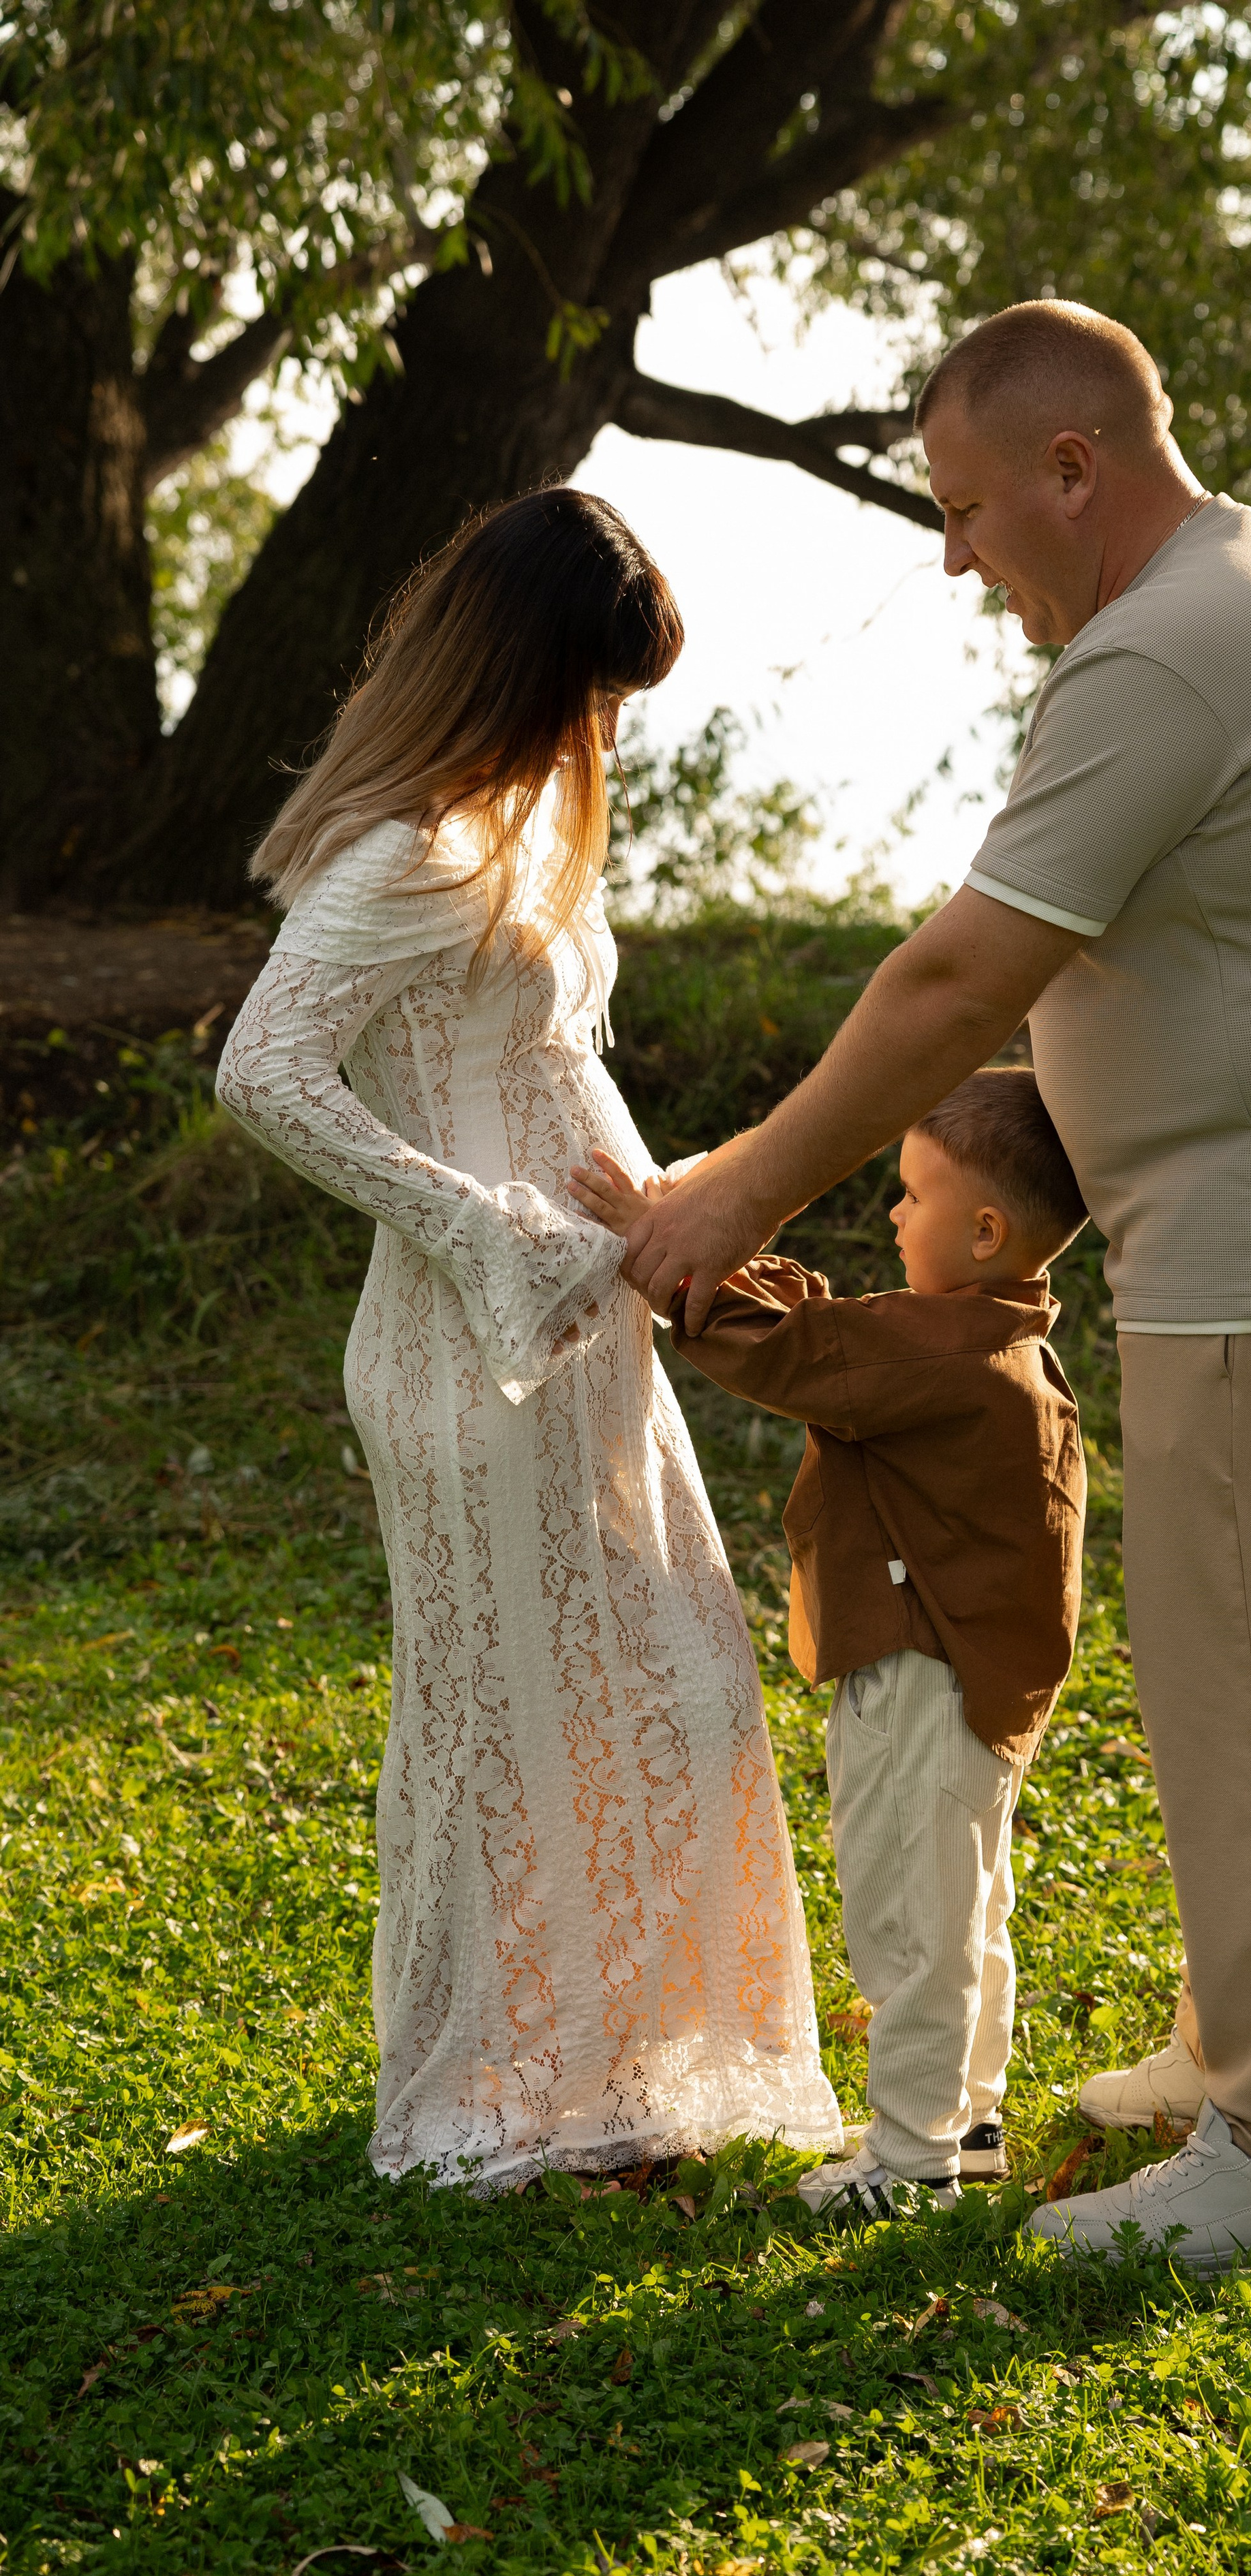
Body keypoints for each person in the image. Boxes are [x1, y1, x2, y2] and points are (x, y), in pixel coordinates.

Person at [570, 301, 1251, 2269]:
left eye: (970, 505)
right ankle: (1241, 2043)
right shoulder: (1244, 587)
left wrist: (735, 1196)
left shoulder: (1159, 651)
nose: (953, 551)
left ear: (1076, 469)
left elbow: (956, 977)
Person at [217, 486, 841, 2191]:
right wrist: (477, 1225)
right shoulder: (404, 851)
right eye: (594, 689)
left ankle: (623, 2066)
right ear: (517, 670)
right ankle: (521, 2094)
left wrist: (666, 1220)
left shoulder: (510, 841)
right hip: (459, 1354)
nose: (605, 730)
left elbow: (559, 1077)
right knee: (520, 1716)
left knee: (668, 1692)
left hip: (579, 1327)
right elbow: (262, 1076)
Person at [575, 1068, 1087, 2217]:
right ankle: (968, 2120)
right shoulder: (995, 1339)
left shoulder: (943, 1357)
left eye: (912, 1197)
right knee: (966, 1907)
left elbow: (798, 1357)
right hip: (978, 1683)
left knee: (913, 1919)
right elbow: (834, 1333)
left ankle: (910, 2166)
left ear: (987, 1229)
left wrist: (669, 1257)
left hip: (921, 1673)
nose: (895, 1217)